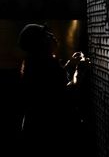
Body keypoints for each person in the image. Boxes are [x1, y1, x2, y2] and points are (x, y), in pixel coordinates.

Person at [17, 23, 89, 156]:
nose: (52, 35)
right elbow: (67, 94)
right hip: (50, 132)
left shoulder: (35, 63)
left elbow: (53, 85)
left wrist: (69, 65)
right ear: (39, 42)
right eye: (46, 34)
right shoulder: (45, 65)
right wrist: (79, 71)